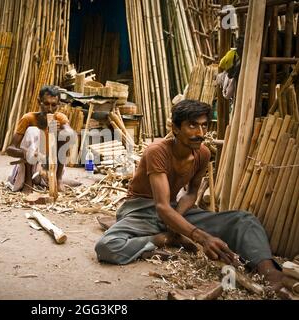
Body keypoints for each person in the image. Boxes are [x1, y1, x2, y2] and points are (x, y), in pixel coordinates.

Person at [95, 99, 285, 292]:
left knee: (244, 220)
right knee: (107, 246)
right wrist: (200, 237)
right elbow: (160, 206)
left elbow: (192, 193)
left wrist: (178, 216)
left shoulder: (202, 154)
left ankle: (270, 273)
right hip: (142, 210)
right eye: (192, 125)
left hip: (174, 209)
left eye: (204, 126)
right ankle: (163, 239)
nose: (200, 133)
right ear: (176, 129)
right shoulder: (157, 151)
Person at [6, 85, 75, 194]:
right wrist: (26, 153)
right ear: (39, 102)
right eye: (46, 104)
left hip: (49, 165)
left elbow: (71, 134)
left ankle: (58, 179)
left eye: (54, 105)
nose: (50, 109)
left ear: (58, 105)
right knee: (32, 131)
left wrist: (59, 129)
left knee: (65, 135)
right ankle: (28, 182)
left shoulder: (59, 118)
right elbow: (10, 149)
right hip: (29, 164)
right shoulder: (28, 118)